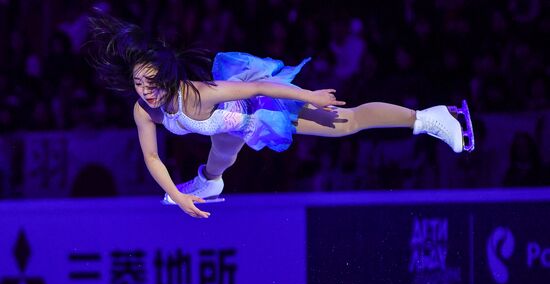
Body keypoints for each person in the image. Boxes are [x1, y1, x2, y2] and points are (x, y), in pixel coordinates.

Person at [88, 11, 474, 219]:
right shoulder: (143, 110)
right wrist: (175, 195)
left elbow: (258, 89)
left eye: (152, 84)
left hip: (258, 113)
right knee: (221, 150)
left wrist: (310, 95)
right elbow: (152, 158)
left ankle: (429, 118)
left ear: (169, 77)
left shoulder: (200, 95)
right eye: (139, 84)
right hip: (228, 135)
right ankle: (209, 182)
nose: (146, 92)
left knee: (348, 123)